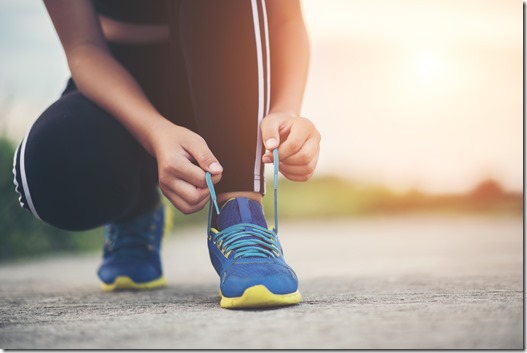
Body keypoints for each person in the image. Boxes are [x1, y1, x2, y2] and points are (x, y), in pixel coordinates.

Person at [12, 0, 320, 309]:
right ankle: (135, 208)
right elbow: (83, 48)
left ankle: (240, 214)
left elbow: (285, 20)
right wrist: (154, 132)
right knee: (49, 168)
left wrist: (285, 111)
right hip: (120, 79)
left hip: (225, 72)